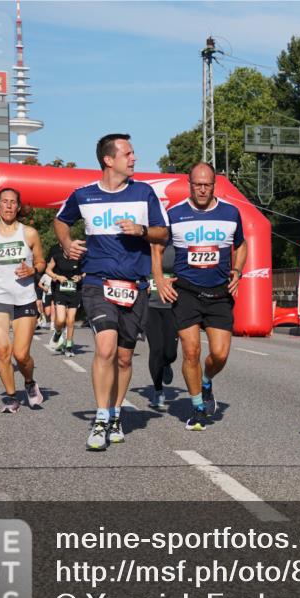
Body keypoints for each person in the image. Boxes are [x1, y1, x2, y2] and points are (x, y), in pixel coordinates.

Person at [55, 133, 168, 450]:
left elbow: (163, 232)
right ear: (109, 160)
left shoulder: (144, 193)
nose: (134, 158)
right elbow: (61, 221)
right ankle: (101, 418)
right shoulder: (84, 195)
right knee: (105, 348)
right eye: (128, 153)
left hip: (134, 286)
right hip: (98, 283)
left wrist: (141, 230)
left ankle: (116, 414)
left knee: (124, 358)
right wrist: (66, 243)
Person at [154, 162, 246, 431]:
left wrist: (238, 270)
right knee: (191, 350)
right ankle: (197, 409)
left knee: (219, 354)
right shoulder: (175, 214)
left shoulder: (230, 212)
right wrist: (159, 279)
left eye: (207, 184)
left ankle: (206, 382)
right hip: (186, 291)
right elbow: (156, 247)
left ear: (214, 185)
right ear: (189, 185)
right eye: (197, 185)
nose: (202, 189)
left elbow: (241, 244)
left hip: (219, 292)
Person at [0, 188, 46, 413]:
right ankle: (11, 397)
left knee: (21, 354)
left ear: (18, 206)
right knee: (3, 351)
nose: (8, 205)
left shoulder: (30, 233)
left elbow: (41, 262)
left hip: (24, 299)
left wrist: (33, 270)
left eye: (13, 202)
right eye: (4, 202)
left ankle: (29, 382)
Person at [146, 242, 179, 410]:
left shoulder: (176, 245)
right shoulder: (144, 245)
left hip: (172, 306)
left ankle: (167, 363)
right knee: (156, 349)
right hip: (150, 306)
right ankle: (158, 391)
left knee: (170, 353)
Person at [45, 241, 84, 356]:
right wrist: (57, 277)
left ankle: (69, 345)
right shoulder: (56, 257)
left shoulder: (79, 258)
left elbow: (86, 271)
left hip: (74, 291)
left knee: (71, 320)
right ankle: (58, 333)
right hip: (60, 291)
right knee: (61, 320)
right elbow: (48, 270)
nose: (69, 250)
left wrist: (80, 277)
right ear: (62, 247)